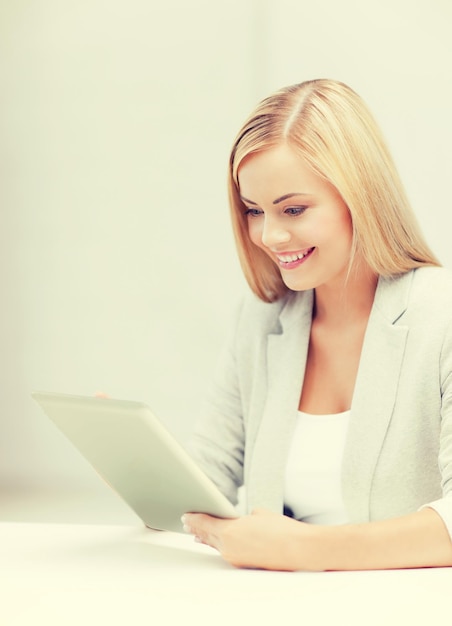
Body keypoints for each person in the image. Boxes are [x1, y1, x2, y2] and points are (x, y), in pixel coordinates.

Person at [182, 79, 452, 571]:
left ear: (361, 197)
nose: (270, 234)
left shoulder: (442, 315)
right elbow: (208, 473)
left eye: (293, 209)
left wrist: (306, 551)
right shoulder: (261, 318)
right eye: (253, 211)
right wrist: (136, 462)